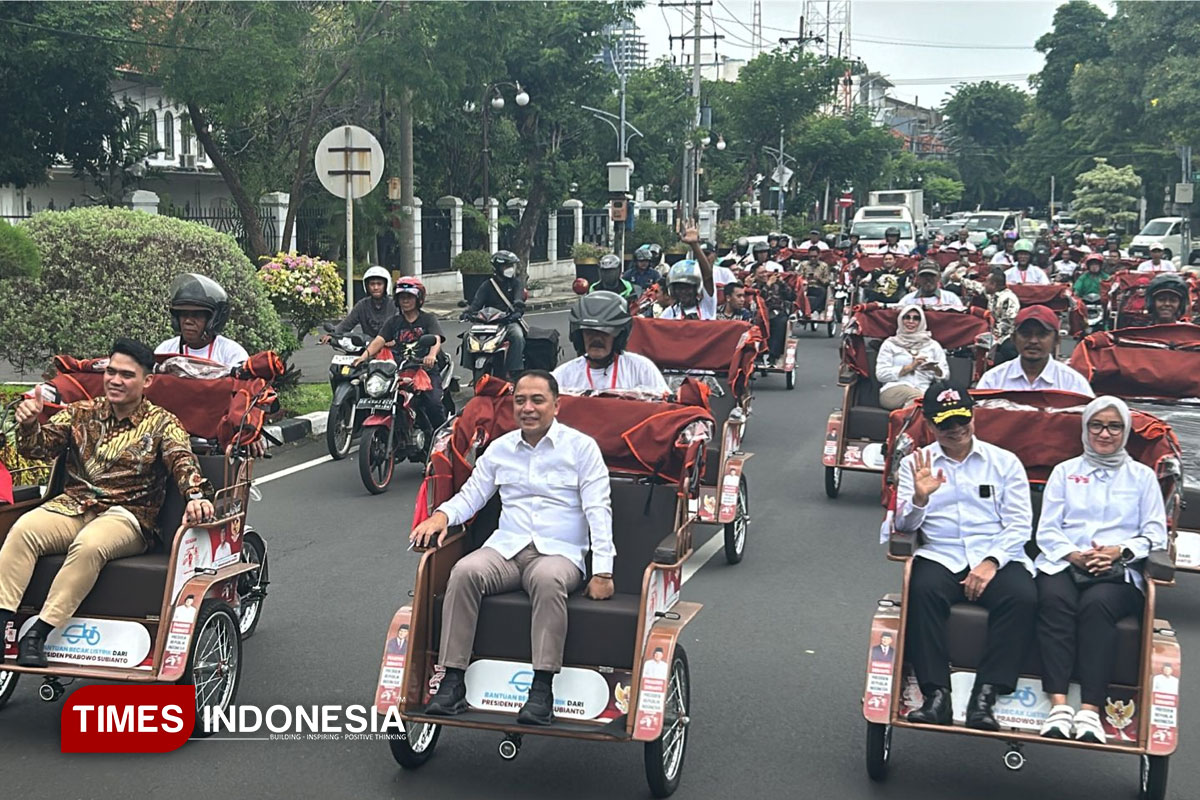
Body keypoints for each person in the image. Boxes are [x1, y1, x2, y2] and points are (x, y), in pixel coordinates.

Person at [410, 371, 614, 726]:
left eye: (537, 400)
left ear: (556, 405)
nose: (528, 408)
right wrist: (441, 516)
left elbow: (599, 509)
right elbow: (473, 495)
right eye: (520, 401)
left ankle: (542, 688)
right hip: (507, 549)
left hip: (559, 554)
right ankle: (453, 679)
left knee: (549, 579)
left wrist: (603, 570)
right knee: (464, 572)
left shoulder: (581, 448)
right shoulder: (501, 449)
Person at [0, 337, 216, 667]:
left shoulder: (162, 422)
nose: (115, 380)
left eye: (126, 375)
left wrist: (196, 496)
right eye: (111, 372)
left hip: (129, 516)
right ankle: (2, 625)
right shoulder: (81, 412)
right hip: (73, 505)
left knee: (89, 545)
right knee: (23, 530)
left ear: (147, 381)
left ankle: (38, 633)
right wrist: (29, 425)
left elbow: (182, 461)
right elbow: (38, 449)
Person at [894, 382, 1037, 730]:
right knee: (921, 591)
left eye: (962, 419)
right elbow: (902, 523)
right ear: (930, 424)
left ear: (973, 415)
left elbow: (1020, 524)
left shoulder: (1004, 462)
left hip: (996, 553)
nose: (955, 429)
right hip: (941, 553)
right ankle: (936, 694)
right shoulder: (915, 464)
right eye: (945, 423)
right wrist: (920, 499)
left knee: (1023, 597)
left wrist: (991, 562)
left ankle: (986, 695)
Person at [1034, 396, 1167, 744]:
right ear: (1085, 428)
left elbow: (1154, 534)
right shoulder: (1065, 471)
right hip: (1066, 561)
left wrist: (1118, 551)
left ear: (1125, 432)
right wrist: (1075, 555)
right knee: (1054, 601)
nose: (1104, 434)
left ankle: (1091, 709)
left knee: (1097, 607)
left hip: (1118, 571)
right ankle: (1059, 704)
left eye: (1114, 426)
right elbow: (1047, 529)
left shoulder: (1142, 477)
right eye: (1097, 425)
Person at [356, 277, 447, 426]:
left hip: (425, 370)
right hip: (400, 371)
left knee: (433, 403)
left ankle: (442, 438)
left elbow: (436, 339)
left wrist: (430, 356)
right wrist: (363, 356)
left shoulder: (428, 319)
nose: (405, 300)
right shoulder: (393, 322)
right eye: (402, 297)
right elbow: (379, 340)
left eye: (409, 297)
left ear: (418, 299)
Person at [553, 292, 669, 394]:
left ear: (618, 337)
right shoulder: (562, 375)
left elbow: (665, 408)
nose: (596, 339)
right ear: (579, 336)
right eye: (590, 332)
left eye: (604, 333)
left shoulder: (641, 369)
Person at [976, 306, 1094, 395]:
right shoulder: (992, 380)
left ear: (1057, 340)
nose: (1033, 341)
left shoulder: (1074, 384)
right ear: (1013, 338)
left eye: (1042, 334)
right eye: (1026, 334)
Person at [156, 273, 249, 368]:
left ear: (212, 321)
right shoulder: (165, 350)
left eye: (196, 315)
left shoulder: (231, 353)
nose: (188, 321)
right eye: (184, 314)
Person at [875, 304, 948, 409]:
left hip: (924, 390)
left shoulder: (933, 345)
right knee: (920, 399)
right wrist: (910, 367)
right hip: (894, 389)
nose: (911, 321)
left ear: (921, 322)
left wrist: (935, 369)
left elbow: (945, 375)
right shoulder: (890, 343)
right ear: (901, 320)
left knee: (926, 400)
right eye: (907, 317)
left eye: (916, 318)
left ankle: (902, 423)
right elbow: (881, 375)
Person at [465, 250, 526, 376]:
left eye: (511, 266)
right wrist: (467, 313)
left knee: (518, 336)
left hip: (507, 321)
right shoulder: (487, 285)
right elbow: (476, 304)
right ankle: (471, 366)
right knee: (467, 336)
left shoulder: (516, 283)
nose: (510, 269)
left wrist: (517, 310)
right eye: (507, 266)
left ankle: (514, 371)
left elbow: (518, 299)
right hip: (488, 323)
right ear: (498, 268)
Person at [320, 265, 395, 344]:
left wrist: (395, 340)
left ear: (386, 285)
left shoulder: (395, 305)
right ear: (367, 286)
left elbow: (403, 328)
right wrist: (332, 335)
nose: (375, 287)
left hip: (393, 349)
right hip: (368, 348)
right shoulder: (362, 305)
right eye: (372, 284)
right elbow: (346, 324)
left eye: (379, 284)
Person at [751, 265, 796, 366]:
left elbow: (792, 297)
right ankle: (757, 354)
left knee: (781, 322)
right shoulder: (753, 287)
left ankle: (773, 355)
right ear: (754, 275)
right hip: (760, 313)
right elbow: (761, 297)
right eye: (761, 273)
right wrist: (768, 284)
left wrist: (782, 283)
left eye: (765, 272)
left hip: (777, 312)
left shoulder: (777, 285)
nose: (764, 275)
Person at [899, 262, 964, 308]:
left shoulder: (951, 298)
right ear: (918, 278)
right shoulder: (907, 300)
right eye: (924, 276)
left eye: (932, 275)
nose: (928, 279)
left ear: (939, 277)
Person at [801, 246, 832, 314]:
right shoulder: (804, 265)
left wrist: (819, 279)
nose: (813, 259)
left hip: (818, 287)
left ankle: (815, 310)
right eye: (811, 257)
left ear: (819, 256)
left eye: (815, 256)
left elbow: (827, 281)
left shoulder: (824, 266)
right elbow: (799, 277)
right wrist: (805, 279)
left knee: (822, 291)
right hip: (806, 287)